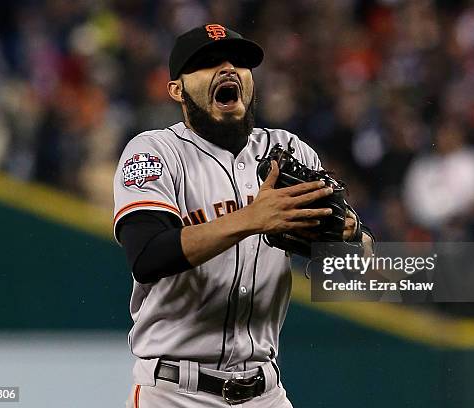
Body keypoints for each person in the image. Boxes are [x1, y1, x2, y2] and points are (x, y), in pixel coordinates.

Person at [113, 24, 373, 407]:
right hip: (174, 392)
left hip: (265, 391)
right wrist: (252, 218)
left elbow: (348, 270)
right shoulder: (154, 152)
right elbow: (148, 256)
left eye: (239, 62)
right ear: (177, 90)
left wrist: (352, 237)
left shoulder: (290, 150)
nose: (228, 69)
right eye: (207, 63)